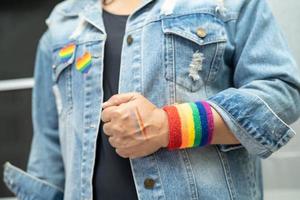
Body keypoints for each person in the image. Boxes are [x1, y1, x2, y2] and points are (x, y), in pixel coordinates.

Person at [3, 0, 300, 199]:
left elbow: (282, 91)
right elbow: (49, 151)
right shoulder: (63, 24)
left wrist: (169, 126)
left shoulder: (228, 4)